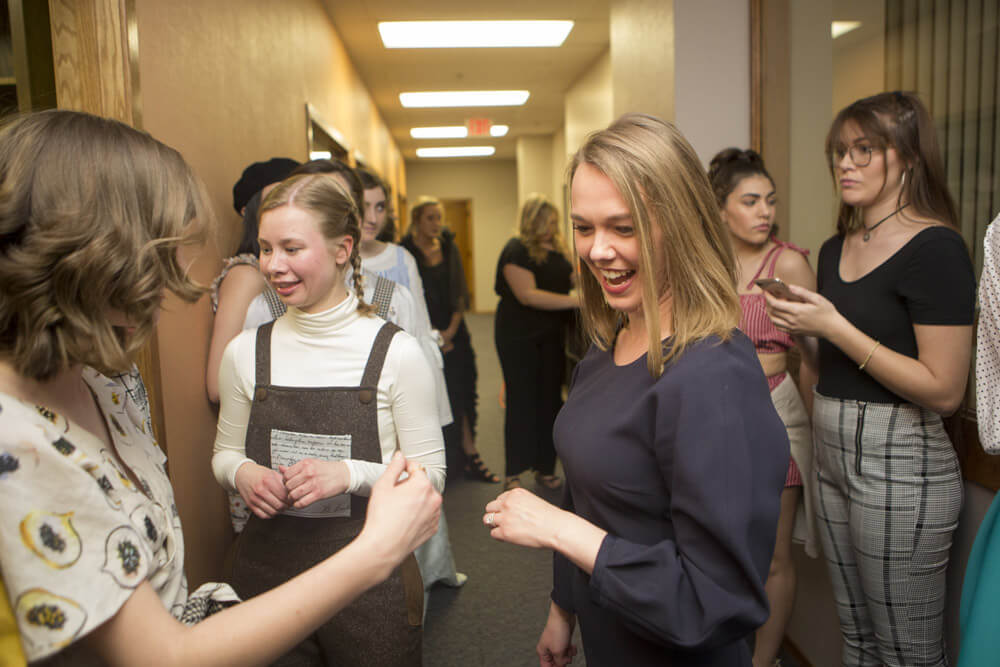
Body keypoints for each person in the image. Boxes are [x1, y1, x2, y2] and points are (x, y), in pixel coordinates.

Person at [0, 109, 441, 667]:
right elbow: (159, 654)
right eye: (155, 256)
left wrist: (352, 482)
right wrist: (371, 553)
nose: (172, 284)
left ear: (343, 248)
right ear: (82, 255)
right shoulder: (17, 445)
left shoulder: (109, 385)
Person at [483, 113, 789, 666]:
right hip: (611, 635)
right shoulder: (607, 346)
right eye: (584, 227)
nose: (597, 251)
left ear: (682, 225)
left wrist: (559, 530)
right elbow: (586, 486)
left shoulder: (713, 376)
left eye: (624, 228)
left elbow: (713, 602)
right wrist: (563, 607)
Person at [765, 91, 974, 667]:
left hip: (900, 460)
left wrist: (833, 323)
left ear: (906, 157)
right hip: (832, 450)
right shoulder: (836, 248)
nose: (845, 165)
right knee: (858, 640)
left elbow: (945, 388)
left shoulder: (937, 249)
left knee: (907, 653)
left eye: (864, 150)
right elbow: (832, 358)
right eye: (839, 152)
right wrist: (802, 324)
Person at [212, 172, 446, 666]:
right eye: (266, 248)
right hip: (266, 574)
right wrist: (242, 473)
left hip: (370, 579)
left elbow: (431, 475)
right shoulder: (244, 352)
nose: (273, 265)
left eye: (292, 248)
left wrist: (349, 474)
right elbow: (224, 453)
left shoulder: (396, 353)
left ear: (343, 249)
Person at [707, 148, 819, 667]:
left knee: (775, 555)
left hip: (777, 408)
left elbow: (817, 356)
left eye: (770, 201)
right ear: (721, 207)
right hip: (716, 412)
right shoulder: (704, 264)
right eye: (749, 201)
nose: (764, 212)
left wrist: (802, 325)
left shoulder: (789, 262)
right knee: (719, 543)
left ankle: (763, 662)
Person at [402, 197, 498, 482]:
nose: (436, 224)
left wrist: (450, 332)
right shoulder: (404, 252)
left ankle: (470, 454)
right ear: (417, 220)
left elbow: (459, 292)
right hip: (421, 334)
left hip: (455, 332)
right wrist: (433, 336)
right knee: (429, 397)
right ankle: (442, 461)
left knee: (463, 392)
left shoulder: (448, 246)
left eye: (439, 218)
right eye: (430, 218)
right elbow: (408, 299)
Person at [494, 194, 577, 491]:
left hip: (552, 334)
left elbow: (575, 279)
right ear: (531, 221)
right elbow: (528, 295)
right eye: (545, 222)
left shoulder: (559, 249)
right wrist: (574, 301)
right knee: (522, 400)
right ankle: (513, 472)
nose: (550, 228)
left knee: (551, 401)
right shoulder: (515, 249)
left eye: (554, 223)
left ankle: (545, 468)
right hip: (519, 335)